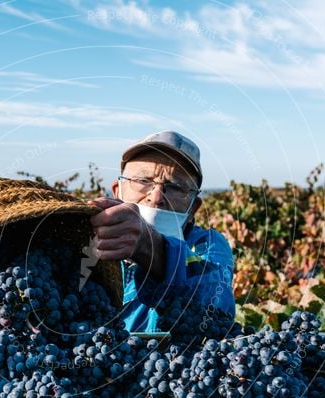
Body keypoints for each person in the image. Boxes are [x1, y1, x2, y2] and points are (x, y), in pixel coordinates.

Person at [89, 130, 235, 333]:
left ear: (193, 208)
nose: (156, 197)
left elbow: (215, 301)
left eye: (175, 187)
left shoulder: (207, 244)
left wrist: (150, 248)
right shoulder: (87, 241)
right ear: (117, 192)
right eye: (142, 181)